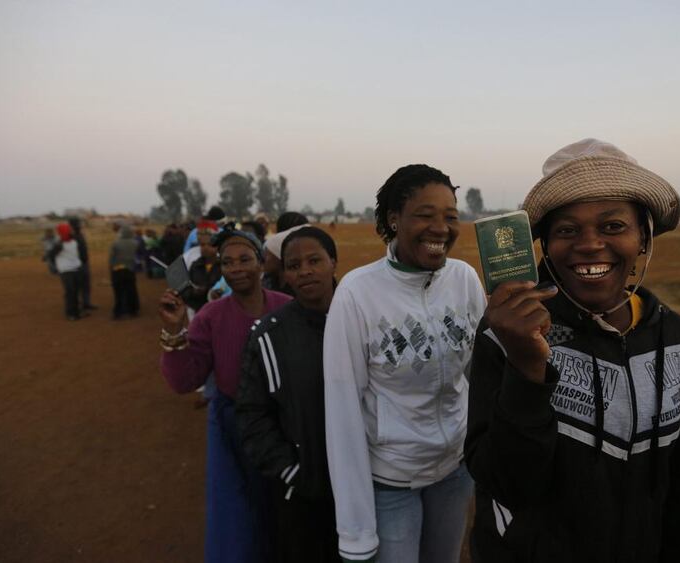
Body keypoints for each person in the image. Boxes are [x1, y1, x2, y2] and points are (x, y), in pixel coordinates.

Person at [464, 139, 680, 563]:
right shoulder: (504, 333)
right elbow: (506, 483)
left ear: (644, 237)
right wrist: (526, 368)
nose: (590, 244)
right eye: (567, 230)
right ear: (544, 246)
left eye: (613, 226)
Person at [323, 164, 487, 563]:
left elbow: (484, 376)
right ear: (394, 220)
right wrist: (356, 532)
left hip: (455, 470)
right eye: (426, 215)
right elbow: (343, 409)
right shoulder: (357, 294)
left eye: (450, 216)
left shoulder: (464, 279)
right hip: (391, 481)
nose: (441, 228)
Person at [158, 226, 292, 563]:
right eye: (228, 262)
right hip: (234, 431)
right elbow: (184, 380)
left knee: (285, 509)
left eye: (245, 259)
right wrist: (174, 332)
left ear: (261, 262)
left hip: (287, 428)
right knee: (239, 514)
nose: (236, 268)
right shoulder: (210, 317)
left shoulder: (288, 309)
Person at [237, 227, 340, 563]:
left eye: (314, 260)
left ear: (333, 263)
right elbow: (253, 413)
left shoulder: (365, 320)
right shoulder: (269, 336)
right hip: (302, 491)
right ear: (284, 275)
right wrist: (290, 470)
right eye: (294, 265)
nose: (305, 270)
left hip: (371, 483)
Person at [49, 223, 83, 320]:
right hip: (66, 271)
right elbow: (51, 256)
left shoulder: (73, 241)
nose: (70, 231)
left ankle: (76, 312)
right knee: (70, 292)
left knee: (75, 292)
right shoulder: (60, 244)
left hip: (75, 268)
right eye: (68, 230)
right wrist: (57, 266)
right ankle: (71, 313)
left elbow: (51, 256)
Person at [108, 225, 140, 319]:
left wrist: (111, 269)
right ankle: (133, 310)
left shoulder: (115, 243)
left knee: (118, 291)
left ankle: (118, 312)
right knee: (131, 290)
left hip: (117, 270)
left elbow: (111, 259)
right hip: (130, 269)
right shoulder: (135, 243)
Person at [68, 217, 97, 310]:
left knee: (86, 284)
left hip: (84, 263)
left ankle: (86, 303)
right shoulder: (70, 237)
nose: (79, 226)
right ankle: (78, 305)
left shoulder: (80, 235)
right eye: (77, 224)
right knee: (77, 285)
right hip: (76, 264)